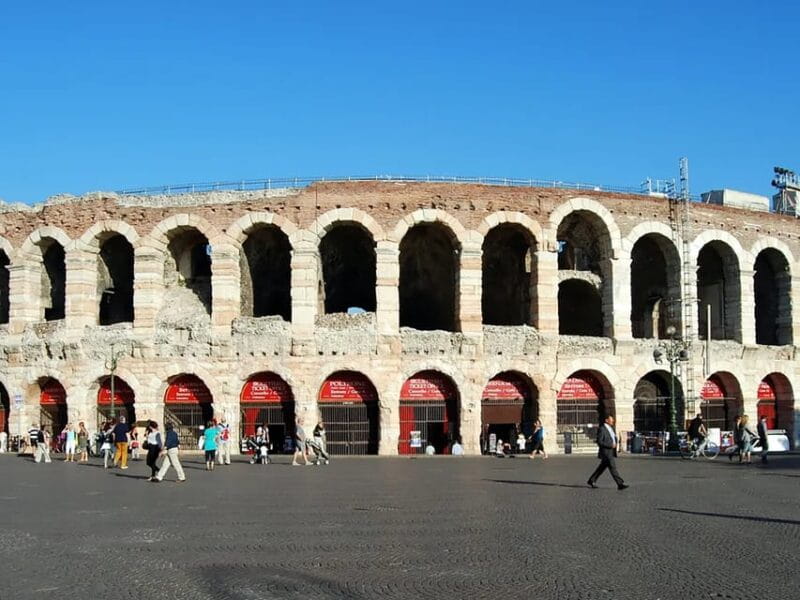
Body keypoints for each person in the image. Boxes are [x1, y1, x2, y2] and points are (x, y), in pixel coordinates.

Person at [587, 415, 628, 490]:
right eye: (611, 419)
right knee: (613, 467)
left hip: (611, 451)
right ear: (606, 420)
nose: (613, 421)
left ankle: (592, 480)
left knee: (601, 468)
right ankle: (620, 484)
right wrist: (610, 445)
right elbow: (599, 441)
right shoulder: (602, 429)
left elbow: (613, 438)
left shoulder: (611, 428)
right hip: (606, 452)